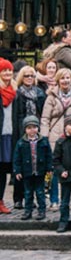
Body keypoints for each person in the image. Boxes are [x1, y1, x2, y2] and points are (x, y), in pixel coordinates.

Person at [40, 68, 71, 210]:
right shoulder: (51, 97)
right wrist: (45, 136)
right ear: (58, 80)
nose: (65, 80)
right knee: (55, 168)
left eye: (68, 77)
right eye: (62, 78)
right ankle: (55, 199)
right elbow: (45, 118)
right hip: (55, 136)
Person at [13, 115, 51, 221]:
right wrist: (17, 171)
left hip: (40, 170)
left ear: (38, 128)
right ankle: (27, 211)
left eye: (34, 127)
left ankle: (41, 211)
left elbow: (49, 155)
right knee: (28, 192)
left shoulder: (43, 141)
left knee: (40, 192)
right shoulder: (21, 142)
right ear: (25, 129)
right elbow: (17, 158)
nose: (32, 130)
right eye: (29, 128)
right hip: (27, 171)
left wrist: (49, 168)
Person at [0, 58, 14, 214]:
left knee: (3, 171)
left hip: (8, 135)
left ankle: (1, 200)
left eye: (9, 70)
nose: (8, 73)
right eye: (4, 70)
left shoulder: (14, 91)